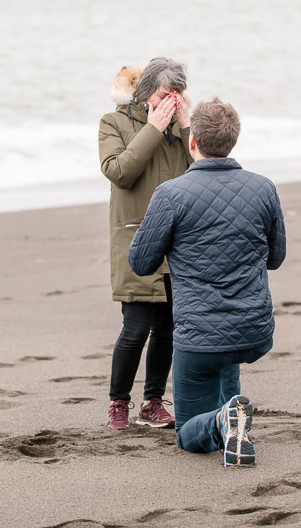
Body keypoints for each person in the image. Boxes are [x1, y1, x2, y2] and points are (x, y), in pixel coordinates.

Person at [128, 97, 286, 466]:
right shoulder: (263, 188)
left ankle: (221, 420)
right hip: (253, 331)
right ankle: (233, 417)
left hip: (200, 336)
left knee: (187, 434)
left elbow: (140, 262)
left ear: (192, 141)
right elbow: (275, 259)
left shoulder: (171, 194)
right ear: (233, 141)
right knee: (224, 351)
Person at [98, 57, 193, 430]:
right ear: (143, 90)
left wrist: (185, 127)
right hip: (135, 238)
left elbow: (203, 166)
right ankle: (118, 403)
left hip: (177, 243)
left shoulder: (182, 127)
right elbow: (118, 172)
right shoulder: (114, 122)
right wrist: (152, 128)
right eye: (162, 93)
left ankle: (153, 402)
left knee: (169, 327)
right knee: (135, 327)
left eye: (176, 94)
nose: (168, 100)